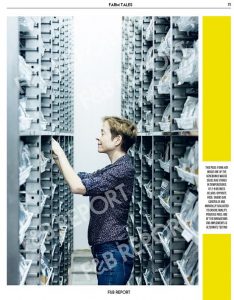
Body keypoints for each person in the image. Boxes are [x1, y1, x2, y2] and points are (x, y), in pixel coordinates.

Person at [52, 116, 137, 285]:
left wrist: (61, 153)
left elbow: (78, 187)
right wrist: (56, 158)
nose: (98, 137)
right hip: (108, 249)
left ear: (117, 140)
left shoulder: (122, 169)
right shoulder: (115, 167)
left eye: (103, 133)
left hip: (113, 251)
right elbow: (82, 179)